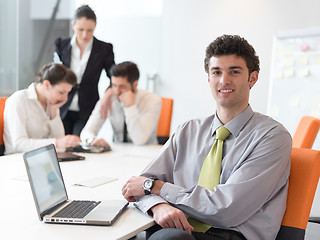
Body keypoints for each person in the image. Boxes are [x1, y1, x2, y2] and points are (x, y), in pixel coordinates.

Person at [121, 35, 292, 240]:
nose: (224, 80)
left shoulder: (272, 137)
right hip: (179, 229)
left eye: (234, 72)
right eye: (216, 72)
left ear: (252, 78)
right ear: (209, 78)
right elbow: (141, 186)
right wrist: (157, 205)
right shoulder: (188, 130)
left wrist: (158, 188)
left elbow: (226, 210)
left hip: (229, 234)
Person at [54, 5, 115, 136]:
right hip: (62, 106)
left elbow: (113, 78)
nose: (84, 35)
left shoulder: (104, 49)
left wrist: (106, 97)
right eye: (80, 29)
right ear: (73, 25)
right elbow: (53, 74)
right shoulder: (61, 44)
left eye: (89, 30)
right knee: (61, 145)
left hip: (88, 107)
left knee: (80, 145)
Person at [3, 63, 81, 154]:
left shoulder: (51, 103)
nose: (65, 99)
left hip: (43, 159)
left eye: (68, 93)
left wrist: (53, 113)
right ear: (47, 84)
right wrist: (56, 143)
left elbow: (61, 145)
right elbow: (19, 145)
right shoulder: (19, 100)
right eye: (61, 92)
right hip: (18, 160)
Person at [80, 61, 162, 146]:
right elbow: (87, 131)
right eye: (114, 85)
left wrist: (130, 106)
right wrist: (92, 140)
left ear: (135, 84)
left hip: (146, 153)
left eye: (122, 87)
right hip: (118, 152)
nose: (117, 92)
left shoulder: (152, 100)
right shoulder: (109, 98)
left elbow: (140, 140)